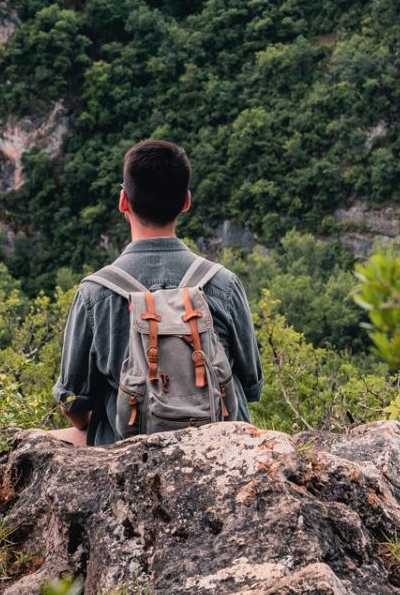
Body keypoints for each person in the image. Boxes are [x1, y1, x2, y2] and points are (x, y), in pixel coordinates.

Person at [48, 139, 262, 446]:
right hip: (220, 452)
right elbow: (252, 386)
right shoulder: (222, 284)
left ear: (123, 201)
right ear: (186, 201)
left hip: (126, 456)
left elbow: (72, 401)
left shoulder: (95, 293)